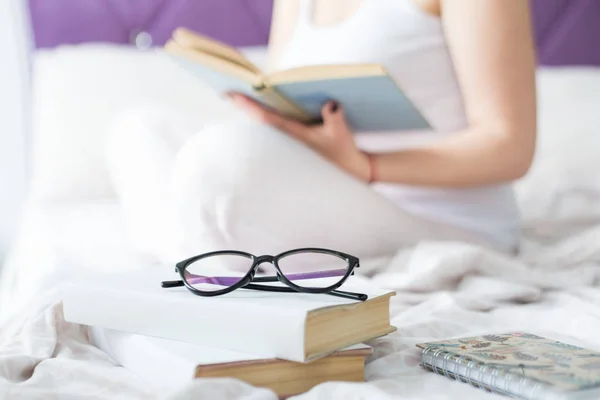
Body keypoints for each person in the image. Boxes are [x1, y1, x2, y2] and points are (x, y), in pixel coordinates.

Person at [107, 0, 537, 269]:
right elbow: (287, 97)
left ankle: (194, 262)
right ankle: (201, 259)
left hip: (443, 219)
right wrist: (271, 116)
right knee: (141, 130)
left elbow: (509, 144)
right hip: (338, 187)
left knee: (221, 160)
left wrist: (367, 166)